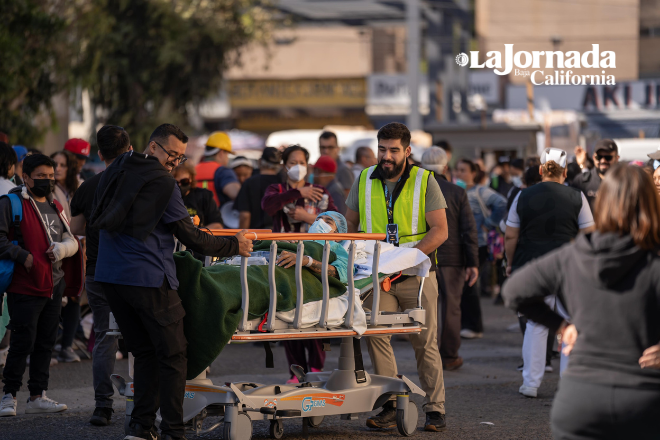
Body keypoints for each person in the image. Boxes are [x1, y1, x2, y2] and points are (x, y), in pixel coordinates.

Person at [91, 123, 252, 440]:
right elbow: (193, 239)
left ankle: (140, 427)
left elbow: (85, 216)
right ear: (152, 147)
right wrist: (236, 245)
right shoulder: (163, 184)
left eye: (180, 158)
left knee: (146, 352)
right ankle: (174, 431)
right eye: (171, 154)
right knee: (174, 354)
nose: (174, 163)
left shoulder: (114, 170)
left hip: (110, 278)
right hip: (148, 279)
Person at [503, 164, 660, 439]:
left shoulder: (572, 256)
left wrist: (561, 326)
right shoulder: (653, 263)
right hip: (642, 399)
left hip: (579, 401)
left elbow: (513, 291)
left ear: (604, 203)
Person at [345, 122, 449, 432]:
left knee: (425, 341)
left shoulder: (424, 180)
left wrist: (408, 258)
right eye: (381, 150)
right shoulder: (363, 178)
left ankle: (435, 408)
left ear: (407, 151)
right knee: (377, 336)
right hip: (377, 275)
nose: (386, 156)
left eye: (393, 150)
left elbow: (440, 231)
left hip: (417, 273)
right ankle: (391, 404)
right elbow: (350, 225)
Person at [504, 148, 595, 398]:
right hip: (569, 267)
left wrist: (510, 263)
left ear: (542, 169)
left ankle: (531, 383)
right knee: (570, 323)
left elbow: (511, 235)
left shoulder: (522, 196)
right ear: (565, 171)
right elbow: (590, 234)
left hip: (533, 267)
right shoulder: (577, 196)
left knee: (535, 323)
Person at [0, 154, 83, 417]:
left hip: (54, 285)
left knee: (46, 342)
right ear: (25, 177)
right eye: (41, 177)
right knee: (22, 342)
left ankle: (37, 395)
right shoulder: (11, 203)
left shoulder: (56, 206)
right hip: (25, 285)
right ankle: (8, 396)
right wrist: (23, 256)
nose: (47, 181)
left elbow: (71, 240)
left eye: (51, 177)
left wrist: (63, 250)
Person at [69, 126, 132, 425]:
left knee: (106, 338)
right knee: (145, 337)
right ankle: (145, 405)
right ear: (130, 149)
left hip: (99, 271)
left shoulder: (88, 186)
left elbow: (76, 229)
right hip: (136, 273)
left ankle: (103, 406)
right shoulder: (141, 183)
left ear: (99, 154)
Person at [421, 147, 478, 371]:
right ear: (445, 167)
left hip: (423, 254)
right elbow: (468, 229)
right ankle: (449, 356)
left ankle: (426, 354)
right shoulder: (457, 191)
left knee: (424, 306)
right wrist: (473, 262)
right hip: (453, 258)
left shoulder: (416, 191)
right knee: (451, 308)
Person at [275, 211, 350, 383]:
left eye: (328, 221)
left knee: (314, 323)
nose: (320, 222)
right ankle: (296, 372)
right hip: (287, 291)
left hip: (317, 293)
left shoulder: (338, 250)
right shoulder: (299, 243)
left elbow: (341, 272)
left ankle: (316, 368)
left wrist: (307, 261)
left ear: (338, 235)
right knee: (288, 327)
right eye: (317, 220)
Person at [454, 159, 507, 339]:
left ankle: (474, 326)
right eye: (457, 170)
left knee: (471, 284)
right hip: (462, 243)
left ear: (473, 173)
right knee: (464, 285)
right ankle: (465, 324)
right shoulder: (456, 190)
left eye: (463, 170)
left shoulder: (480, 192)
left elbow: (502, 203)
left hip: (479, 243)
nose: (459, 174)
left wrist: (489, 224)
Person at [49, 149, 82, 363]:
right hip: (56, 248)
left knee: (74, 295)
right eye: (55, 164)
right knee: (54, 298)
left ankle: (67, 345)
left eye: (62, 165)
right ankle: (48, 348)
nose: (58, 168)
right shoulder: (49, 190)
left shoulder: (77, 188)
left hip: (76, 248)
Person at [262, 145, 338, 233]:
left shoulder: (319, 190)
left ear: (307, 165)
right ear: (284, 166)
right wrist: (297, 193)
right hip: (283, 245)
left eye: (302, 163)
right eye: (293, 163)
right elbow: (267, 206)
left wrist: (306, 217)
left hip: (311, 245)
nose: (298, 167)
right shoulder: (277, 189)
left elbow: (335, 219)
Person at [235, 147, 282, 230]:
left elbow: (245, 216)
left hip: (257, 237)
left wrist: (240, 239)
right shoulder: (284, 183)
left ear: (260, 161)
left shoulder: (249, 182)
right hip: (281, 237)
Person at [571, 139, 619, 212]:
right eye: (599, 157)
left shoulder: (624, 182)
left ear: (617, 158)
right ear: (594, 157)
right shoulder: (581, 181)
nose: (603, 161)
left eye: (608, 157)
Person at [172, 163, 223, 229]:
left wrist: (197, 235)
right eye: (175, 182)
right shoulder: (167, 197)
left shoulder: (204, 196)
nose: (179, 185)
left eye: (184, 181)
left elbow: (217, 224)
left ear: (191, 179)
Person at [195, 131, 239, 206]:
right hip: (218, 216)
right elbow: (237, 195)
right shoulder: (223, 172)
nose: (227, 158)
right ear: (221, 153)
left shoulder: (192, 170)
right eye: (227, 154)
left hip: (193, 217)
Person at [319, 131, 354, 195]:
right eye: (323, 147)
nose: (326, 151)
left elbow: (349, 200)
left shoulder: (343, 170)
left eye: (330, 147)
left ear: (337, 149)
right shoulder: (318, 169)